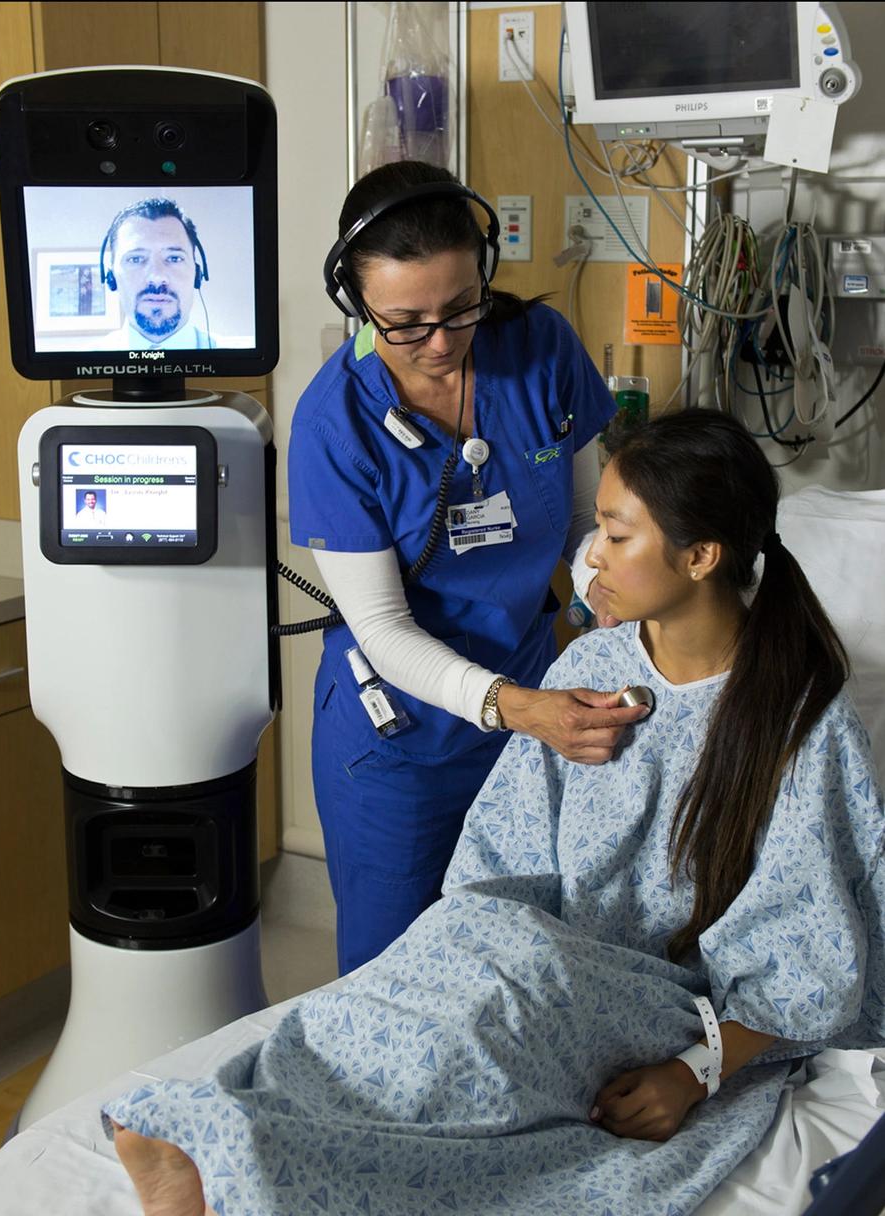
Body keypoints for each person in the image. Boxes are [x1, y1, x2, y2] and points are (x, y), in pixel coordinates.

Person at [106, 409, 884, 1216]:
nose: (593, 555)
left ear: (700, 556)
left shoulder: (796, 723)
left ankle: (249, 1163)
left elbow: (810, 964)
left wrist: (697, 1070)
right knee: (423, 994)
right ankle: (233, 1127)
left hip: (659, 999)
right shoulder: (590, 668)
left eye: (617, 536)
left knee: (478, 1038)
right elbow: (495, 864)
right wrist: (478, 951)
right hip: (540, 956)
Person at [287, 160, 645, 975]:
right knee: (397, 976)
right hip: (400, 741)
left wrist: (604, 592)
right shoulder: (333, 424)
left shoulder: (538, 349)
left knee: (518, 960)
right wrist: (519, 708)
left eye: (461, 308)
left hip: (532, 702)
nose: (441, 343)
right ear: (357, 302)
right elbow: (381, 628)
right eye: (405, 322)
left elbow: (586, 522)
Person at [98, 198, 217, 350]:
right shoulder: (80, 364)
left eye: (174, 258)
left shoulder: (236, 361)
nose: (157, 277)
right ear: (111, 276)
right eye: (136, 259)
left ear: (197, 274)